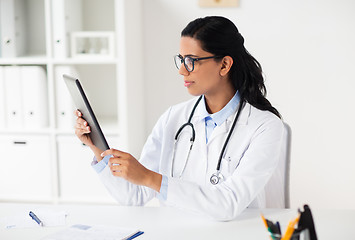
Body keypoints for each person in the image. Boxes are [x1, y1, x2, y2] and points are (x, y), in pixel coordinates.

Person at [75, 16, 285, 221]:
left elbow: (227, 204)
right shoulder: (173, 118)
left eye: (191, 61)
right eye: (181, 60)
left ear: (224, 65)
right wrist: (97, 148)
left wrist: (151, 178)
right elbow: (133, 195)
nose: (182, 71)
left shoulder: (265, 127)